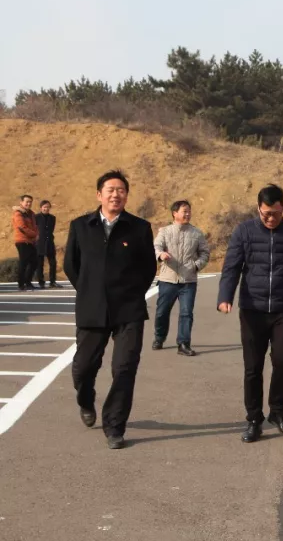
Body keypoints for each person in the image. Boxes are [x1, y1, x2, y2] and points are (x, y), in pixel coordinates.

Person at [65, 171, 157, 449]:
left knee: (125, 368)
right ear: (99, 194)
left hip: (128, 310)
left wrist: (130, 293)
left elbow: (148, 268)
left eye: (121, 190)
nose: (115, 194)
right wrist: (90, 290)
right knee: (83, 368)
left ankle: (115, 426)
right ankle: (86, 399)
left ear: (127, 195)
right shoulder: (81, 226)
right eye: (110, 189)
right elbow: (72, 265)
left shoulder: (139, 228)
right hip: (92, 309)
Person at [217, 184, 283, 443]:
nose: (271, 218)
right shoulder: (244, 231)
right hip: (252, 310)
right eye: (265, 214)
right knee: (253, 368)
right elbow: (231, 267)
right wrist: (225, 296)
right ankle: (253, 419)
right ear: (258, 209)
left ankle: (278, 412)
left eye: (276, 213)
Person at [153, 200, 210, 356]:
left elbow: (205, 253)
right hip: (168, 280)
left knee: (186, 313)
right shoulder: (165, 231)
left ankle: (183, 344)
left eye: (189, 211)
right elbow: (156, 246)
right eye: (184, 211)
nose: (187, 214)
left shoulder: (196, 233)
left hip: (188, 281)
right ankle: (159, 337)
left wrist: (196, 265)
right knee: (161, 312)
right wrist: (161, 254)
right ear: (175, 213)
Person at [12, 194, 38, 291]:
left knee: (35, 262)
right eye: (27, 201)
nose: (28, 203)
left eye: (30, 202)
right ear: (21, 202)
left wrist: (36, 234)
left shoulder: (31, 213)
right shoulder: (18, 213)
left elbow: (35, 226)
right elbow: (22, 227)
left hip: (30, 241)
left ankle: (28, 282)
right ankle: (21, 284)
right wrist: (34, 234)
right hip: (22, 241)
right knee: (24, 263)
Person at [34, 200, 58, 289]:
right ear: (41, 208)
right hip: (39, 243)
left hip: (50, 243)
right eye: (44, 207)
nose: (46, 208)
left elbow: (51, 230)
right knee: (40, 264)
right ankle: (41, 282)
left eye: (48, 207)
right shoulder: (36, 217)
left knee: (53, 263)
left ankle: (53, 282)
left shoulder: (53, 218)